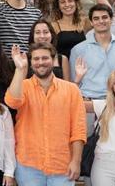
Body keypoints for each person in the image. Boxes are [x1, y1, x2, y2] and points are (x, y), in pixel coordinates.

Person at [5, 42, 86, 185]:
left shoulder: (72, 90)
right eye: (36, 59)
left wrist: (76, 161)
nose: (40, 62)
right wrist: (19, 69)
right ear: (31, 63)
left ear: (53, 60)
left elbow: (78, 129)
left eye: (45, 58)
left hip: (62, 166)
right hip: (28, 166)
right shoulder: (23, 86)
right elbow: (12, 102)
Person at [69, 4, 115, 100]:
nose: (101, 21)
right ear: (91, 22)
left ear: (111, 20)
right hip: (88, 101)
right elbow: (73, 81)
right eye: (96, 18)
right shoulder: (78, 50)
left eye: (104, 17)